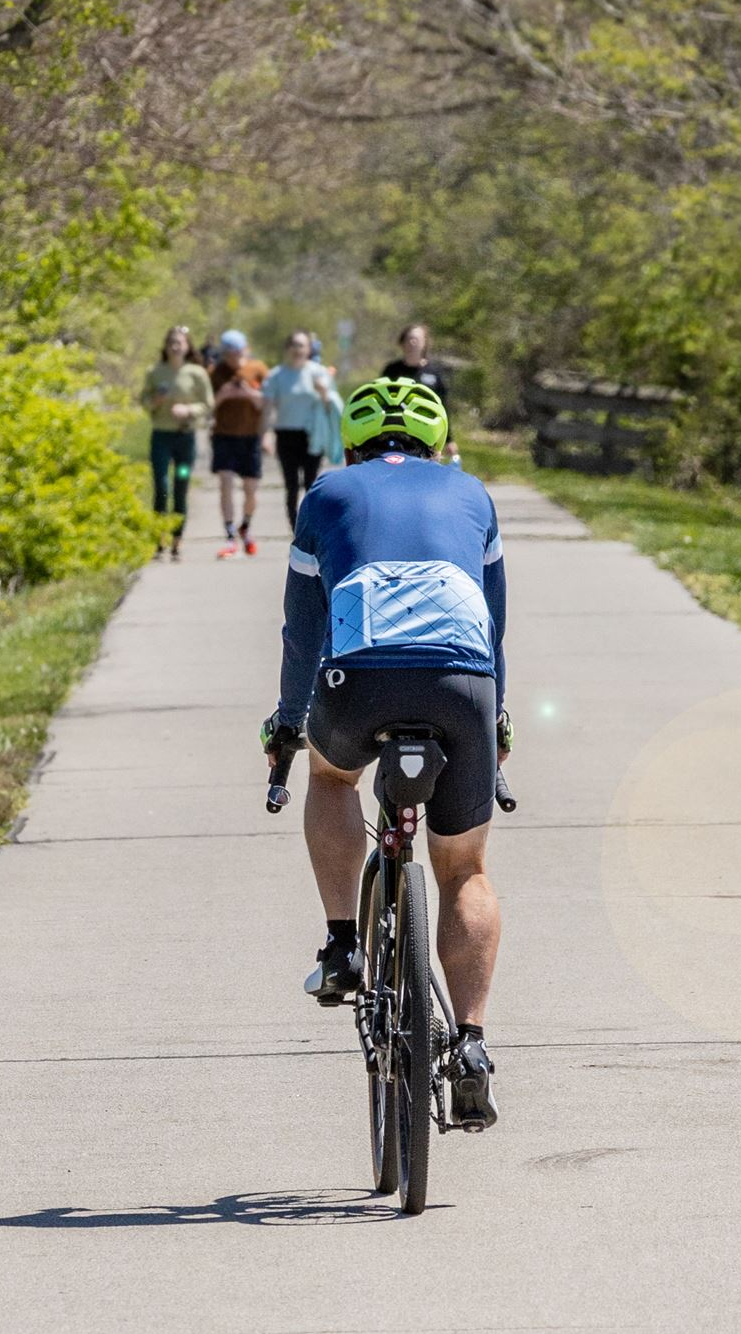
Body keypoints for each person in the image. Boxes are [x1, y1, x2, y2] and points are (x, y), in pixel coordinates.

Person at [261, 376, 509, 1128]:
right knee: (463, 867)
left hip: (358, 680)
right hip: (462, 684)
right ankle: (469, 1043)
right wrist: (494, 728)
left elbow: (302, 632)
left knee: (331, 775)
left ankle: (342, 945)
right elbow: (494, 631)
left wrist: (285, 724)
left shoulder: (327, 496)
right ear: (438, 443)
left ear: (353, 442)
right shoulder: (473, 495)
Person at [142, 326, 212, 561]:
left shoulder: (197, 373)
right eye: (171, 342)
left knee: (181, 485)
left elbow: (207, 404)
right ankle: (158, 539)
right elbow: (144, 401)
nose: (175, 346)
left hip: (185, 440)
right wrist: (156, 400)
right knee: (162, 486)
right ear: (165, 346)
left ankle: (177, 540)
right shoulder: (155, 372)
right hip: (161, 438)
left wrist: (189, 410)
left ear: (187, 346)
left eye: (179, 342)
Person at [260, 330, 333, 531]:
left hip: (312, 436)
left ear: (309, 349)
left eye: (302, 345)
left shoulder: (318, 372)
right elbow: (268, 408)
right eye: (294, 345)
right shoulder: (276, 376)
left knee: (311, 484)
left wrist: (324, 392)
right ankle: (296, 530)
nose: (297, 350)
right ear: (287, 348)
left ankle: (311, 529)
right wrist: (265, 435)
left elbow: (331, 407)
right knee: (291, 486)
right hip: (286, 435)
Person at [208, 329, 268, 558]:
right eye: (228, 354)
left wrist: (249, 394)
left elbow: (269, 404)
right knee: (225, 483)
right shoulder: (215, 373)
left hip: (250, 436)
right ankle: (230, 533)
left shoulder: (258, 369)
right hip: (223, 435)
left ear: (246, 349)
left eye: (237, 352)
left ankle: (246, 526)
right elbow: (207, 405)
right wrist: (222, 396)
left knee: (250, 489)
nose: (233, 358)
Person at [382, 323, 458, 464]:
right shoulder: (392, 371)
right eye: (409, 339)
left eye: (416, 339)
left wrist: (448, 439)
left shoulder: (434, 373)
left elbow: (443, 407)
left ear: (425, 343)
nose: (412, 343)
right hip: (396, 432)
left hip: (428, 433)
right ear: (402, 342)